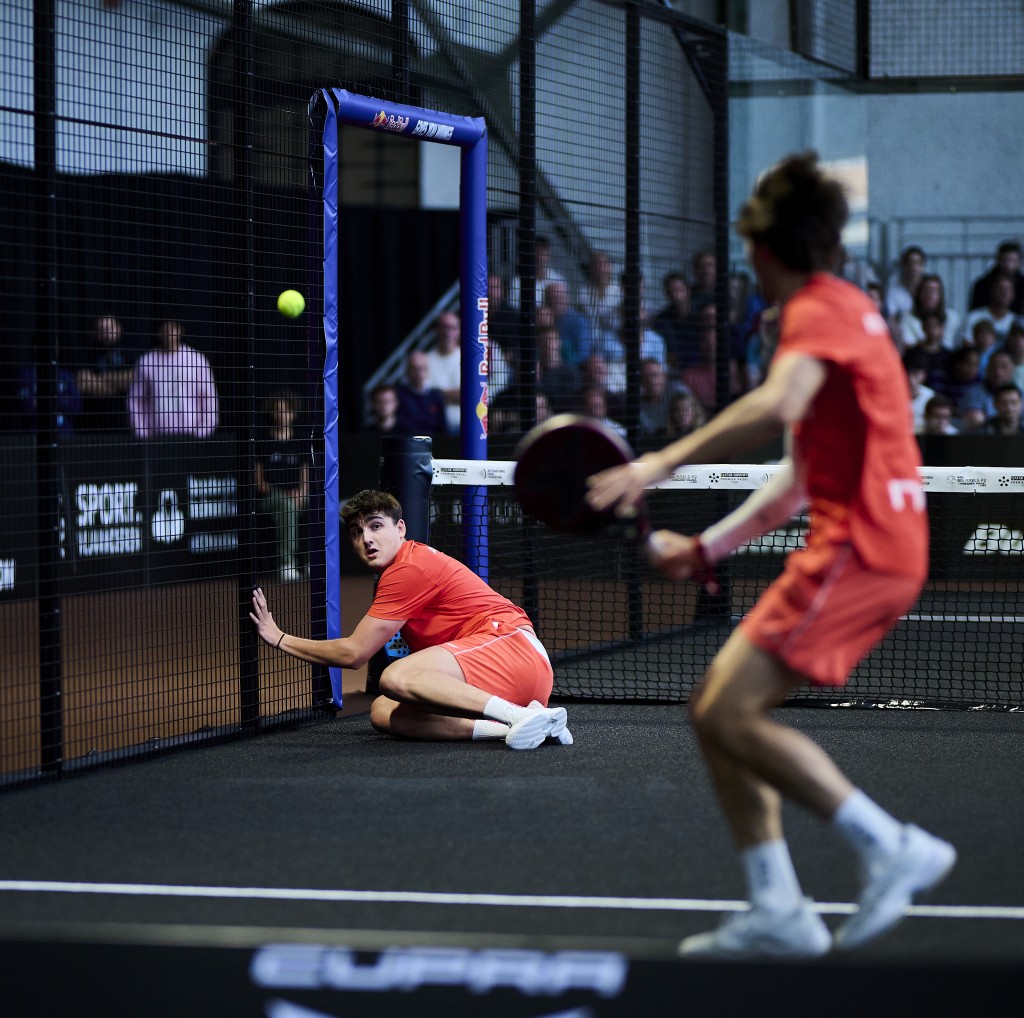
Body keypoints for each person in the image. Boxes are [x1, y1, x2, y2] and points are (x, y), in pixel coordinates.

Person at [586, 152, 955, 959]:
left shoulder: (815, 310)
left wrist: (655, 465)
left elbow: (777, 402)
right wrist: (709, 548)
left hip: (861, 545)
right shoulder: (851, 308)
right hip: (874, 540)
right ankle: (778, 908)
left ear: (766, 246)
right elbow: (795, 478)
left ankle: (888, 845)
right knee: (715, 711)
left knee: (724, 711)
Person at [250, 488, 572, 749]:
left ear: (400, 529)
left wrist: (279, 638)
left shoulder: (408, 568)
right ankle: (516, 725)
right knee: (384, 711)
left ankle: (517, 716)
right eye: (356, 532)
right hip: (502, 674)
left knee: (394, 678)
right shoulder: (396, 572)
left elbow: (354, 653)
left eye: (376, 526)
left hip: (514, 651)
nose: (367, 539)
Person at [128, 320, 218, 439]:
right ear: (158, 332)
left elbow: (208, 397)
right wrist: (143, 434)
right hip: (156, 438)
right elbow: (136, 399)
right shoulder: (146, 361)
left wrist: (202, 432)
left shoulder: (197, 360)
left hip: (191, 437)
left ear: (180, 330)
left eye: (173, 328)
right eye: (165, 328)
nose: (169, 332)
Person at [255, 390, 310, 582]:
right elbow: (260, 483)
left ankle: (311, 562)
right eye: (278, 410)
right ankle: (287, 563)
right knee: (286, 507)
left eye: (286, 410)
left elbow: (305, 472)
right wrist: (286, 496)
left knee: (319, 505)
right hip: (270, 497)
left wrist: (301, 492)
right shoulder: (261, 440)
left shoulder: (301, 440)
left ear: (293, 413)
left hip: (297, 494)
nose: (282, 415)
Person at [73, 315, 133, 431]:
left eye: (109, 328)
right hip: (91, 427)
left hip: (122, 427)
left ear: (119, 329)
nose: (106, 334)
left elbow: (132, 381)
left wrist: (98, 379)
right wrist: (118, 385)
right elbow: (84, 384)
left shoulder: (130, 356)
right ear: (94, 333)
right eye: (101, 329)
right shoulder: (84, 356)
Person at [898, 274, 962, 352]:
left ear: (940, 294)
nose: (930, 294)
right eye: (925, 290)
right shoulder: (907, 318)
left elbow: (957, 346)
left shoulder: (952, 317)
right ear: (918, 293)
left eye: (934, 290)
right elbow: (908, 345)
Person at [395, 350, 449, 436]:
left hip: (433, 444)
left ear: (427, 370)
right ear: (407, 371)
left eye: (421, 368)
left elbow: (442, 429)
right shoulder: (398, 395)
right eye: (414, 369)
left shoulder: (436, 396)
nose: (418, 373)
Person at [424, 311, 461, 432]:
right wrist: (457, 394)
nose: (447, 332)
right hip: (434, 428)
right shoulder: (426, 360)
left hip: (466, 428)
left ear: (459, 331)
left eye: (452, 327)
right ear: (437, 330)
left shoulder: (469, 359)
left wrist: (440, 394)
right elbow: (427, 395)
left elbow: (474, 395)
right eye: (444, 327)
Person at [959, 274, 1019, 347]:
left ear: (1013, 294)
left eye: (1009, 290)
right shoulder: (973, 317)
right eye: (1000, 289)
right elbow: (966, 344)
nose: (1004, 293)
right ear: (992, 291)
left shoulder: (1018, 321)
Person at [968, 240, 1024, 314]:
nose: (1008, 265)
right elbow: (975, 311)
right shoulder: (982, 285)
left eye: (1013, 261)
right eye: (1005, 260)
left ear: (1019, 262)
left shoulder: (1022, 285)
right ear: (998, 259)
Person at [883, 245, 926, 324]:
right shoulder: (894, 291)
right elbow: (891, 319)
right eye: (910, 263)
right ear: (904, 266)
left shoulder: (928, 288)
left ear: (922, 266)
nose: (914, 267)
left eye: (917, 263)